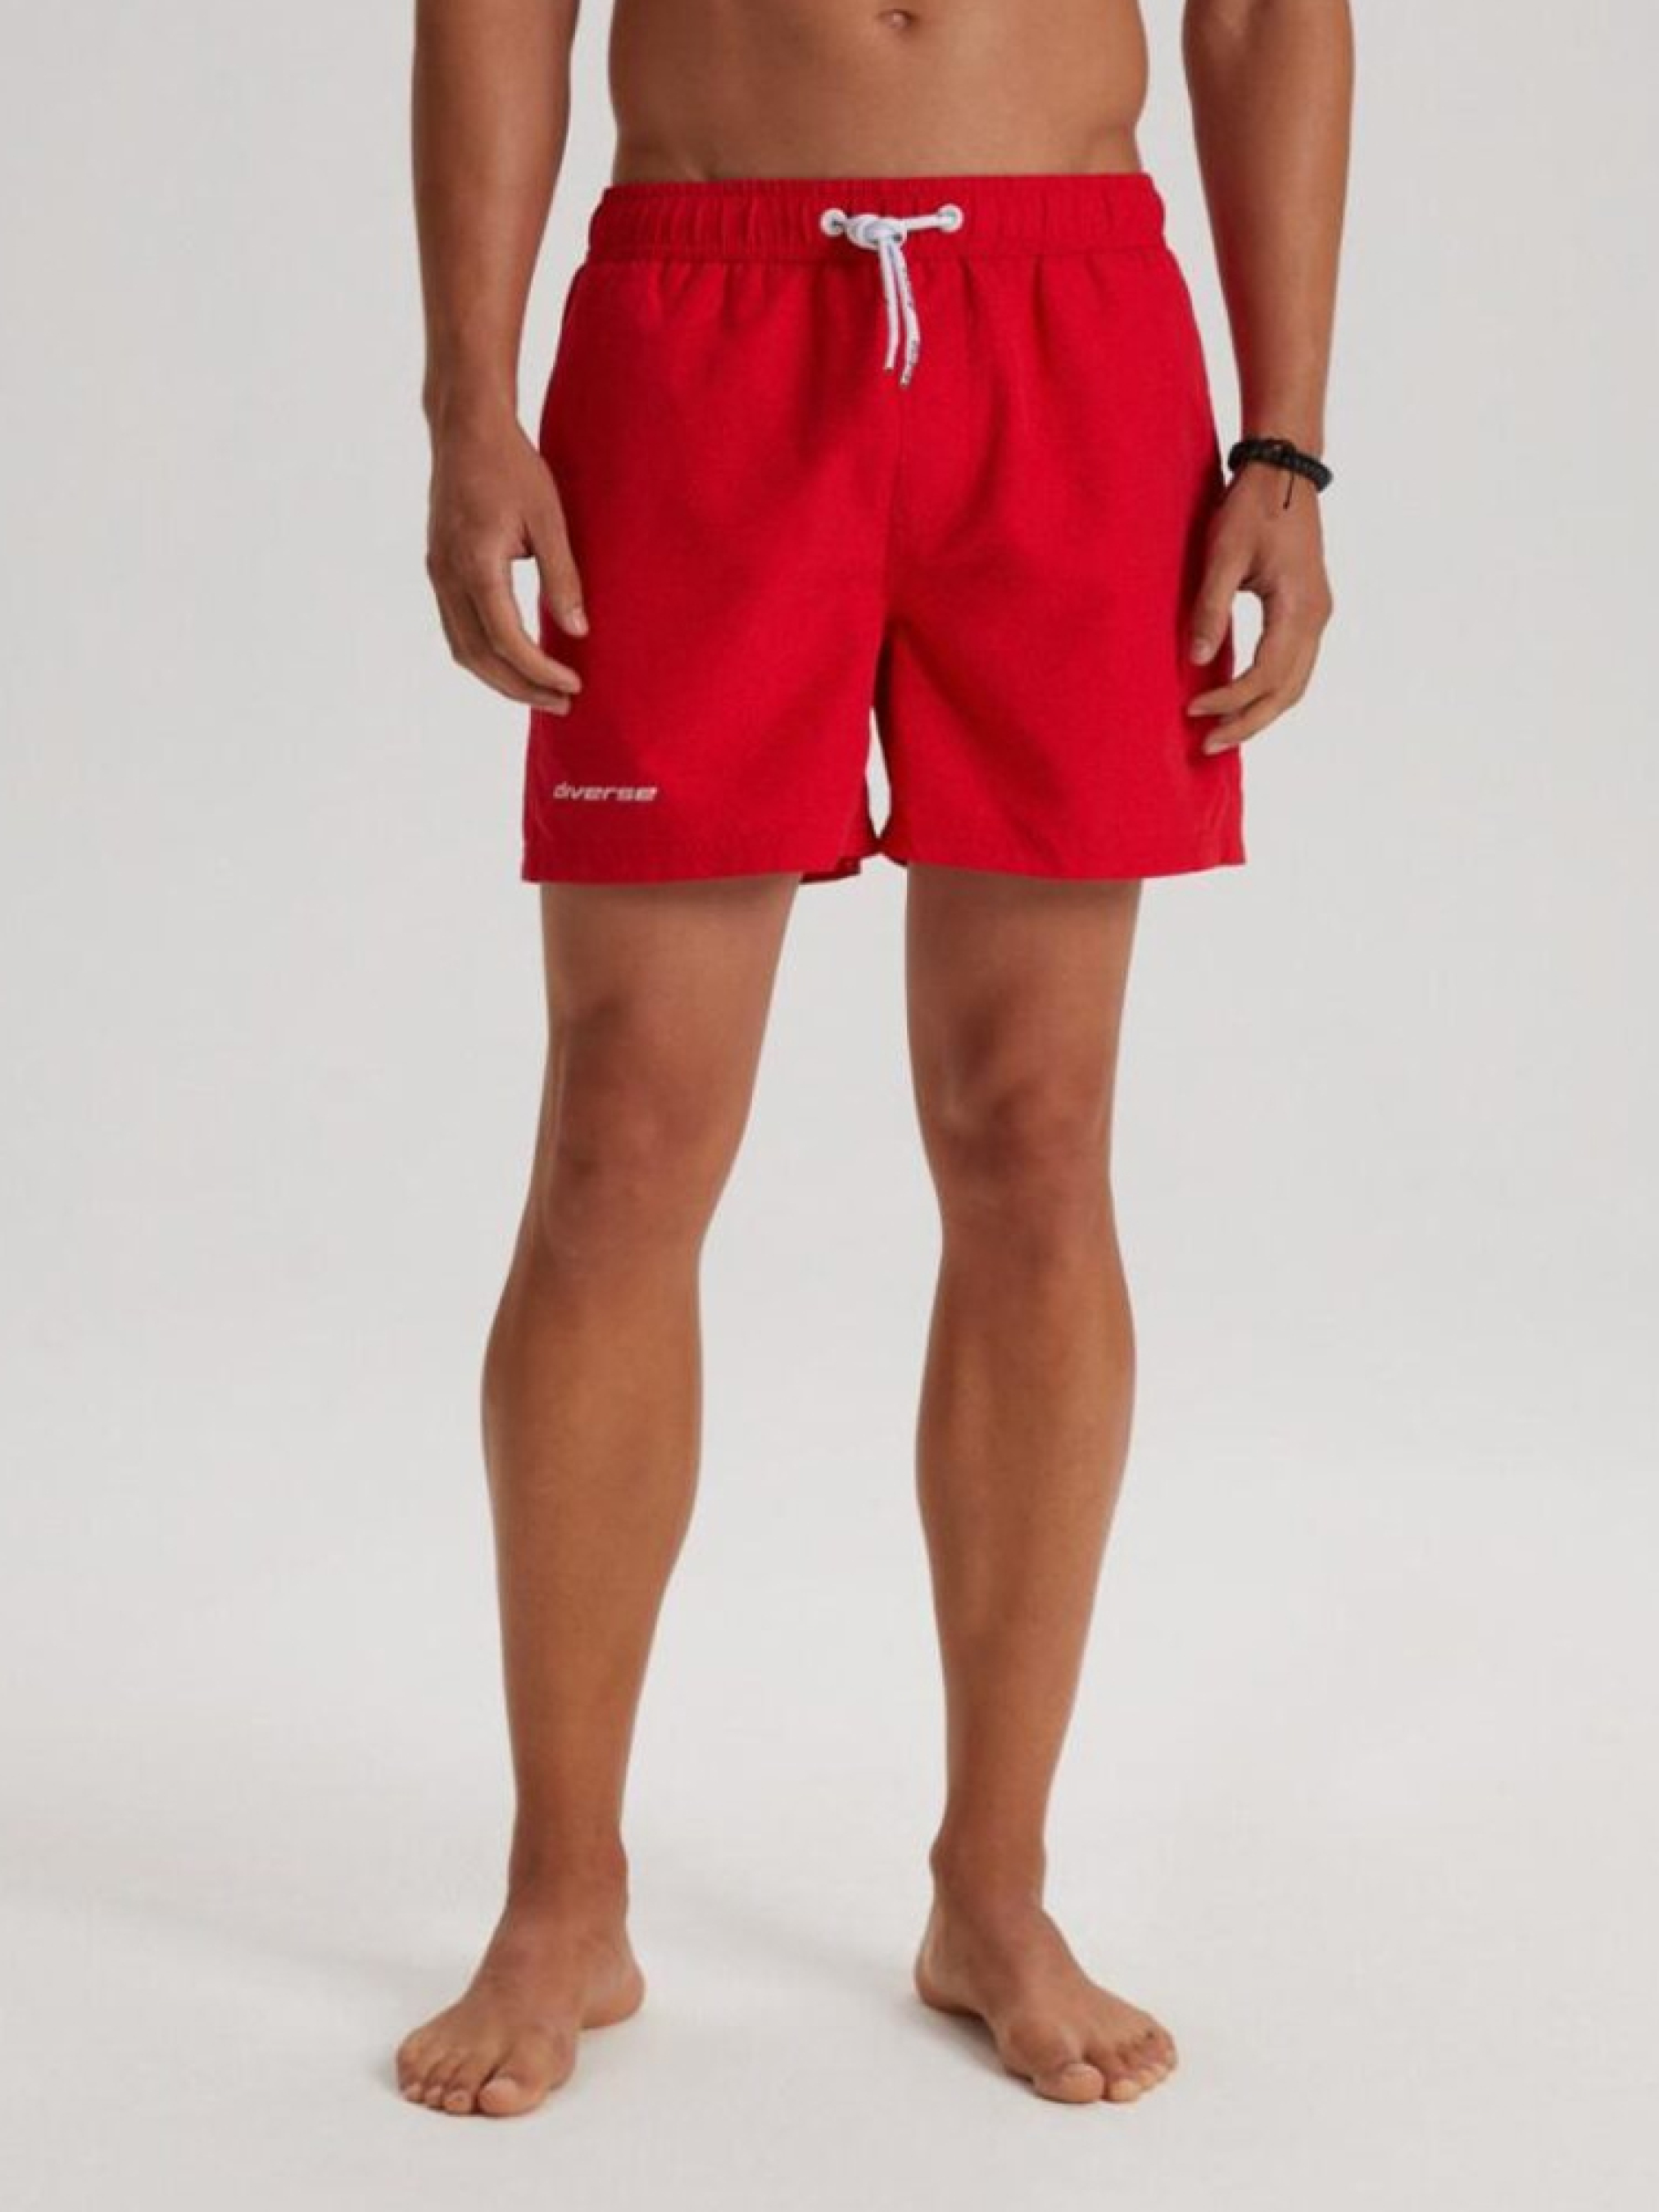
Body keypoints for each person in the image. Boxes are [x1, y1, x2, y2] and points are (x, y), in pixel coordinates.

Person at [398, 0, 1350, 2118]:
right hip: (703, 314)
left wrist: (1284, 445)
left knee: (1035, 1135)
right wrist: (473, 403)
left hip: (1071, 329)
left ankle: (992, 1891)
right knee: (620, 1139)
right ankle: (563, 1893)